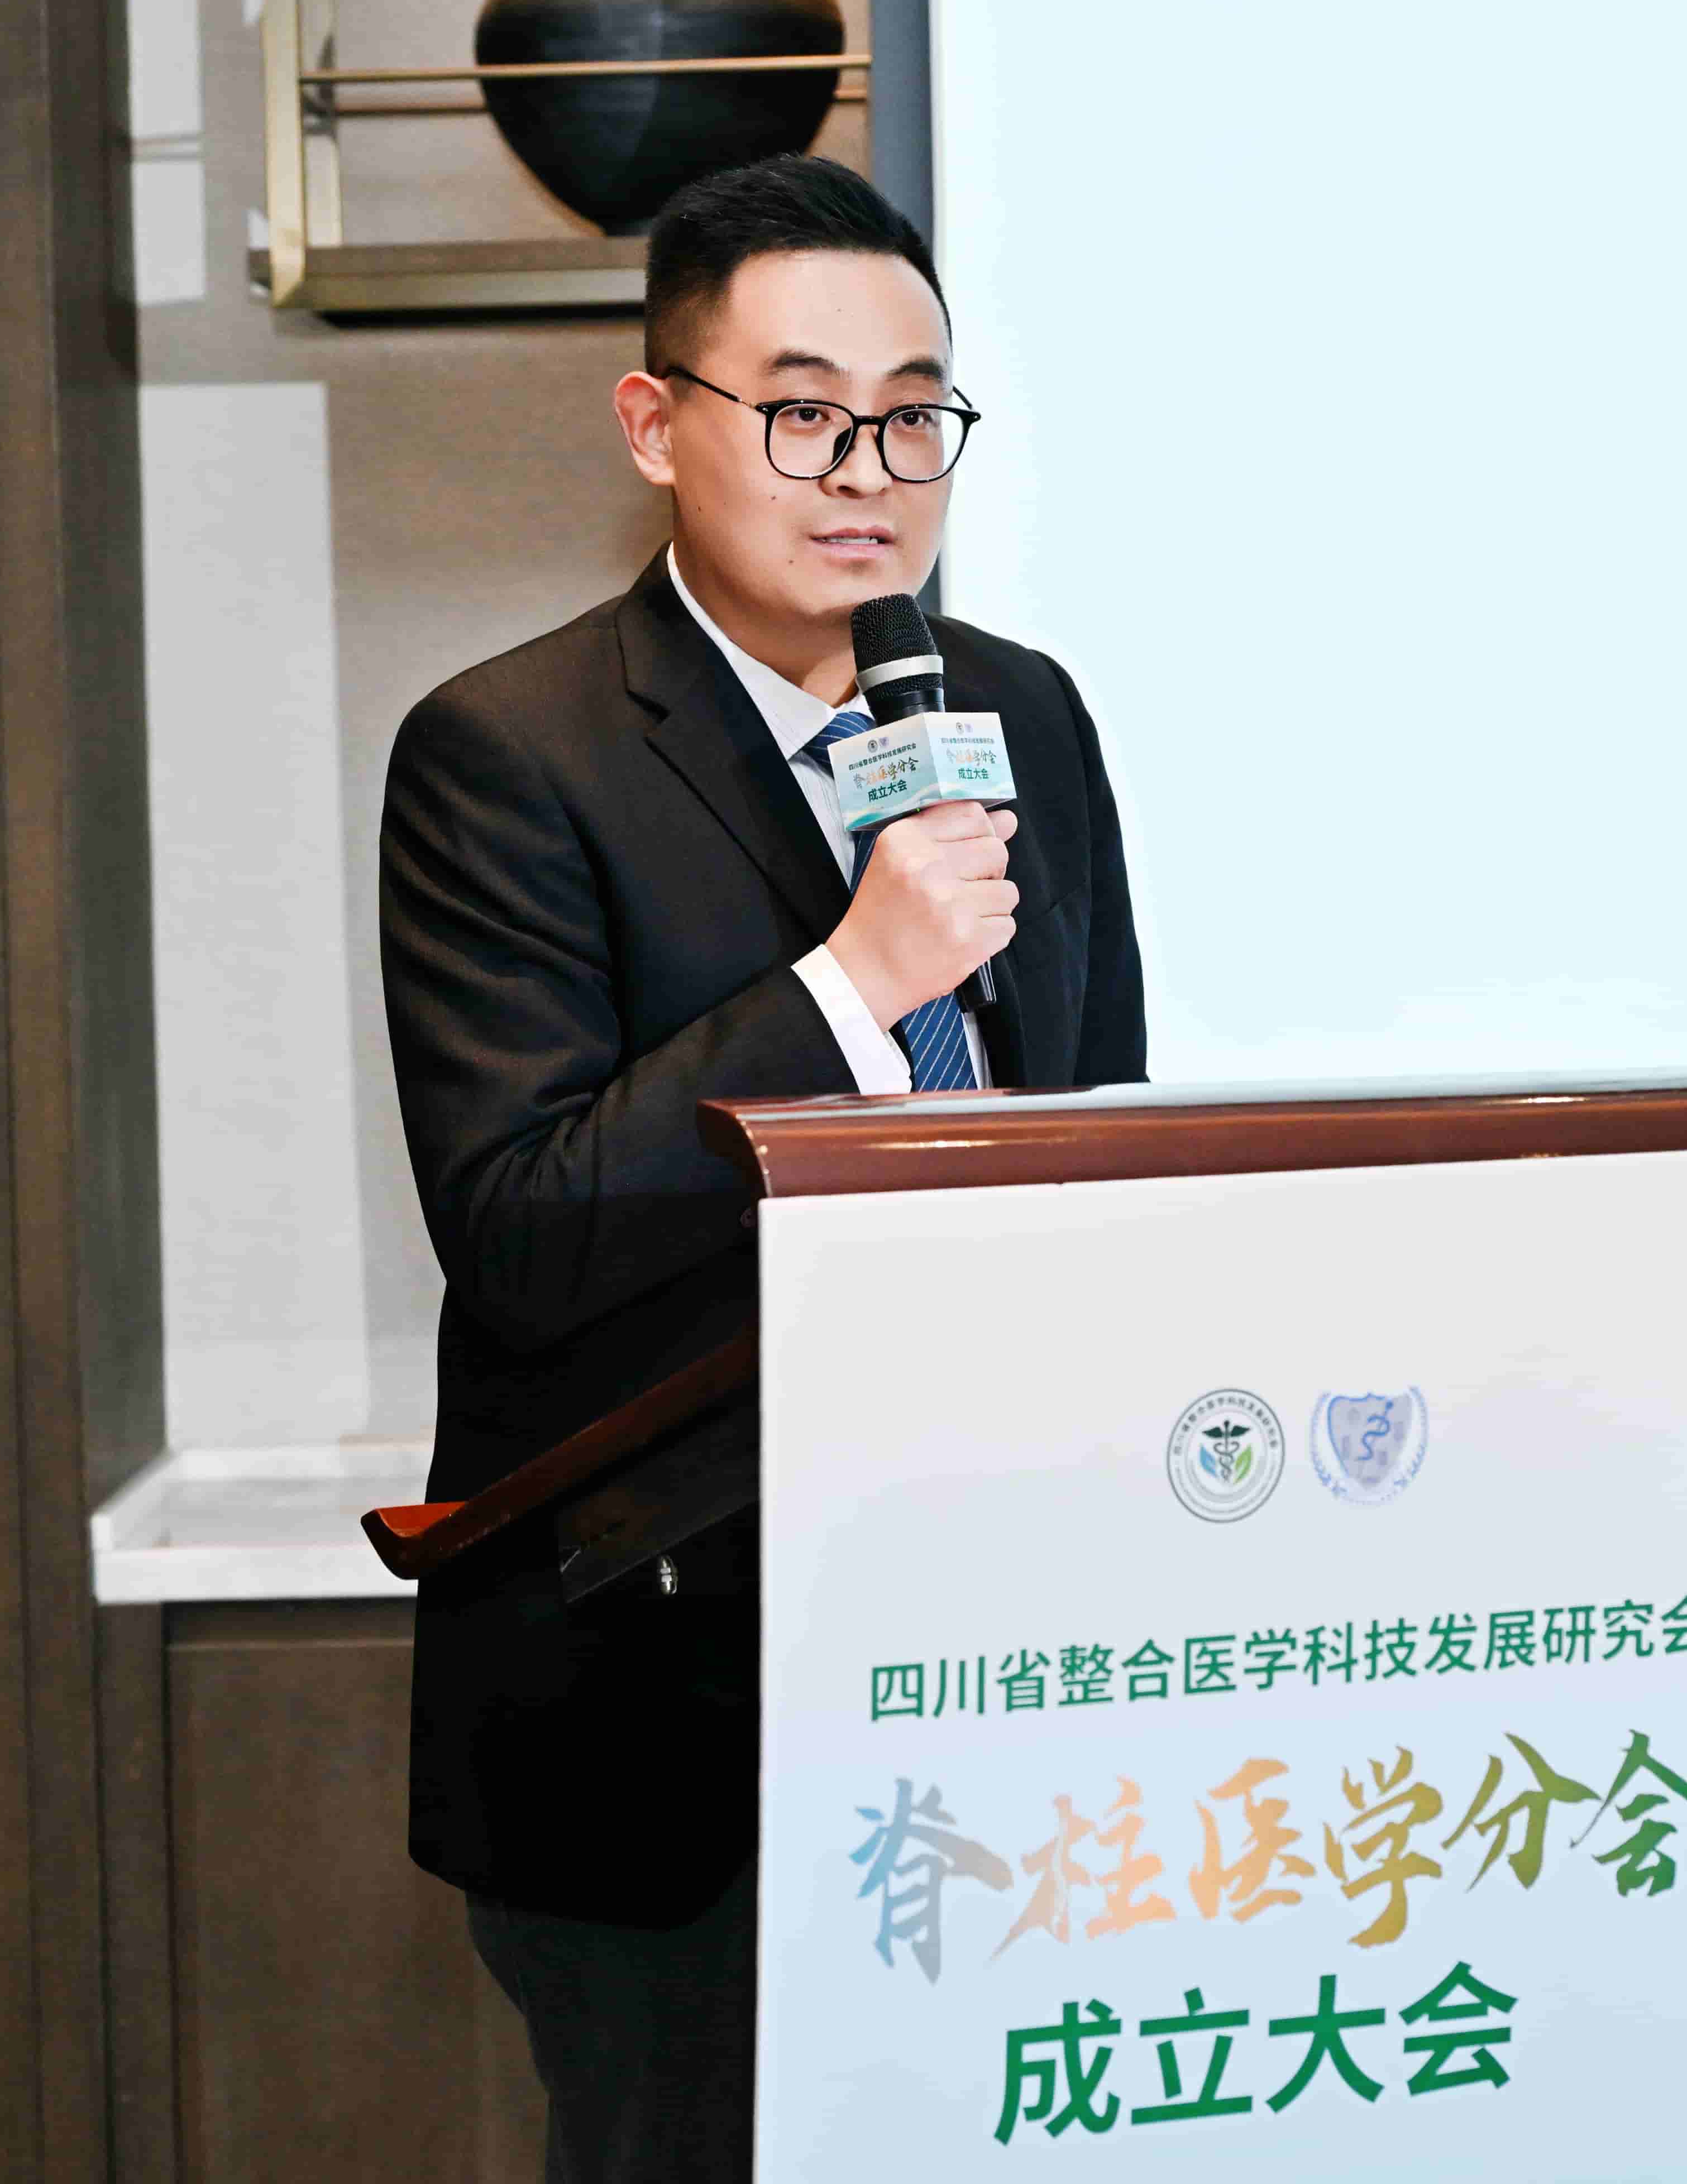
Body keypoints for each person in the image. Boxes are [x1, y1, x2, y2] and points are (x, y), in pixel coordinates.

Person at [376, 154, 1146, 2180]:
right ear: (658, 425)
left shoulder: (1022, 713)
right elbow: (521, 1228)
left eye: (912, 416)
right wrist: (854, 985)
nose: (866, 471)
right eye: (803, 412)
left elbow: (1100, 1139)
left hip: (998, 1675)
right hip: (666, 1716)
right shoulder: (509, 753)